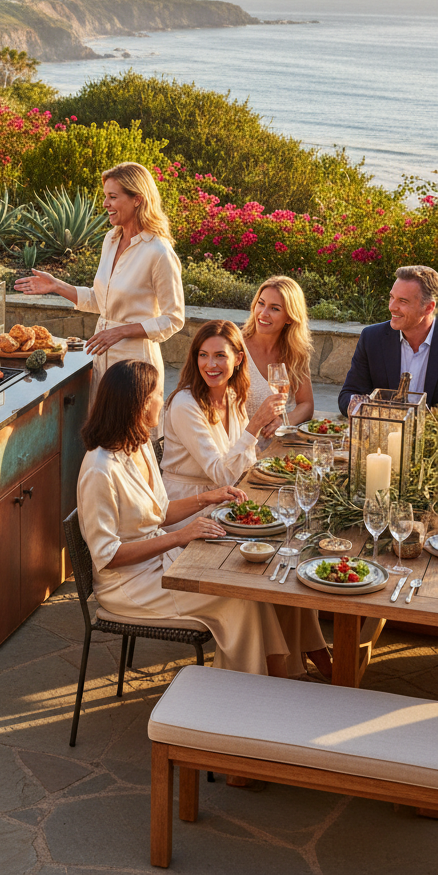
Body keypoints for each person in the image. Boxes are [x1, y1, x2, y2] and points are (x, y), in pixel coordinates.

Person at [76, 359, 294, 677]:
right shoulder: (99, 469)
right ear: (137, 403)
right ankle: (245, 697)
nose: (163, 403)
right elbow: (107, 556)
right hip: (130, 586)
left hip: (163, 563)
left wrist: (209, 497)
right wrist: (181, 536)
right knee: (238, 602)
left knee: (247, 584)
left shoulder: (139, 445)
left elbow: (159, 512)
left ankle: (276, 681)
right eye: (157, 395)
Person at [162, 318, 331, 679]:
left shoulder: (233, 397)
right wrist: (254, 427)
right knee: (268, 574)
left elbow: (241, 466)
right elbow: (222, 473)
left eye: (220, 356)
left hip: (224, 506)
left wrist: (260, 432)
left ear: (238, 358)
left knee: (290, 559)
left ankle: (312, 656)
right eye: (204, 355)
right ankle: (276, 676)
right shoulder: (185, 404)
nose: (211, 364)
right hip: (188, 515)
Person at [15, 161, 184, 425]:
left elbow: (174, 319)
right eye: (105, 196)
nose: (105, 203)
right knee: (103, 437)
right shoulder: (111, 239)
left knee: (129, 442)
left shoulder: (158, 252)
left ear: (137, 199)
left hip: (135, 367)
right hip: (102, 358)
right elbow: (100, 300)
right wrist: (56, 286)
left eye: (113, 197)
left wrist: (121, 331)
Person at [339, 265, 438, 415]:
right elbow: (348, 395)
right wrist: (376, 412)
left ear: (428, 307)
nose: (392, 307)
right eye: (392, 297)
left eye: (402, 301)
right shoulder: (372, 338)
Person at [241, 275, 314, 435]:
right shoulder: (235, 345)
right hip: (236, 444)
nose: (263, 313)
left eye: (274, 308)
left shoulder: (295, 353)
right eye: (261, 304)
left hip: (274, 445)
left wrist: (284, 421)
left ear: (289, 317)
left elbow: (306, 405)